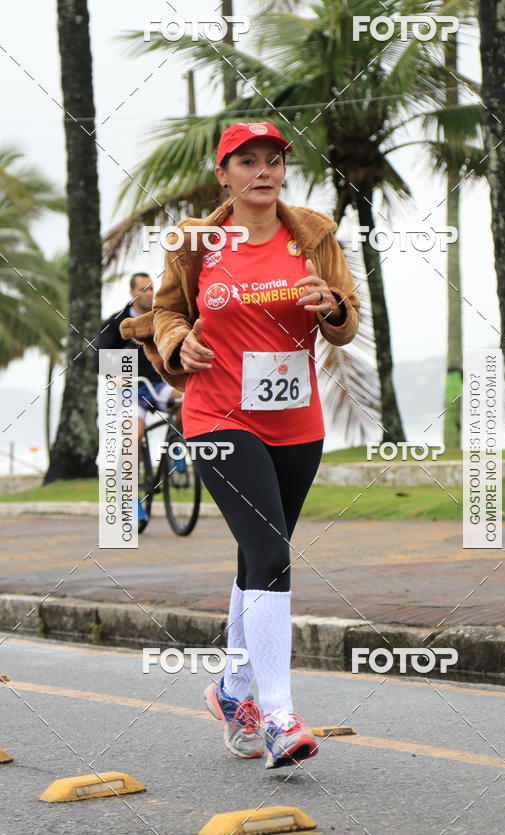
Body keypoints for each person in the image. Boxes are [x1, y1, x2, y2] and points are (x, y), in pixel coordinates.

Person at [131, 121, 360, 768]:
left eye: (274, 160)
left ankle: (231, 692)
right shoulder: (196, 242)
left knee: (258, 557)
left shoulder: (312, 234)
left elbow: (346, 320)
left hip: (297, 422)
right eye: (247, 160)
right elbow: (169, 313)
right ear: (222, 173)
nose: (263, 170)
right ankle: (280, 718)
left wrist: (331, 307)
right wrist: (178, 342)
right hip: (219, 414)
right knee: (271, 552)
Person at [93, 273, 184, 522]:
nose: (149, 293)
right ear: (132, 293)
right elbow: (98, 356)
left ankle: (176, 450)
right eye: (143, 289)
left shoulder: (161, 318)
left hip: (160, 383)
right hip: (133, 390)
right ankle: (133, 500)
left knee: (188, 402)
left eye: (152, 288)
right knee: (133, 438)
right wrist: (115, 376)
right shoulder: (117, 323)